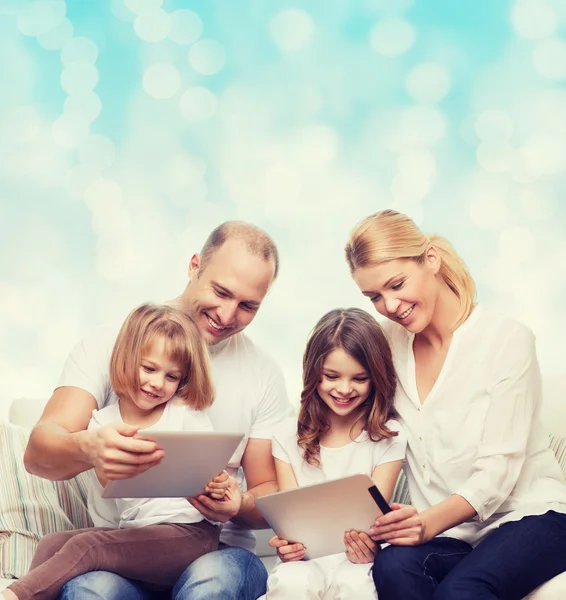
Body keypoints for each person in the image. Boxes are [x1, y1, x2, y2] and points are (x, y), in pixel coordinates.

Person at [24, 222, 291, 600]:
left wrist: (236, 504)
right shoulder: (111, 343)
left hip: (215, 550)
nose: (228, 314)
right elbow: (38, 453)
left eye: (248, 306)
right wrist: (89, 448)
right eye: (221, 291)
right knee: (90, 589)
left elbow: (268, 494)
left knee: (214, 581)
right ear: (194, 265)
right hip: (126, 550)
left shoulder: (263, 373)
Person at [344, 208, 566, 600]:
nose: (390, 305)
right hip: (454, 533)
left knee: (462, 590)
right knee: (392, 566)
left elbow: (498, 472)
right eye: (374, 296)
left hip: (531, 517)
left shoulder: (507, 340)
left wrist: (426, 523)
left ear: (431, 259)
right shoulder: (387, 345)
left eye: (397, 284)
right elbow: (356, 428)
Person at [4, 303, 234, 600]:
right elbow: (113, 494)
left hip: (190, 534)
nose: (156, 383)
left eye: (171, 376)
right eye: (149, 368)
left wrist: (219, 487)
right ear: (126, 359)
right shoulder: (102, 422)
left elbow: (210, 474)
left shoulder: (185, 414)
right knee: (51, 543)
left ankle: (13, 596)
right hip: (138, 535)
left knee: (86, 547)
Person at [265, 308, 407, 599]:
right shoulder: (285, 434)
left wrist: (367, 546)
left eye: (359, 378)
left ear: (376, 377)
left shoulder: (389, 435)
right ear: (314, 374)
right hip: (306, 560)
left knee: (357, 586)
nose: (344, 389)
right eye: (331, 376)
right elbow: (291, 522)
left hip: (358, 560)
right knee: (291, 583)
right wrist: (289, 546)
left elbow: (373, 521)